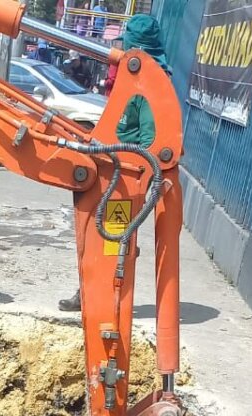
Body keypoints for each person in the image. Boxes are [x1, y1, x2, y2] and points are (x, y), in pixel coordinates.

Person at [59, 14, 170, 313]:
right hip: (112, 169)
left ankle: (105, 299)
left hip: (125, 177)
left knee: (112, 239)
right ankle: (90, 293)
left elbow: (150, 143)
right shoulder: (134, 78)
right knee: (99, 237)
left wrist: (134, 173)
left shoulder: (150, 85)